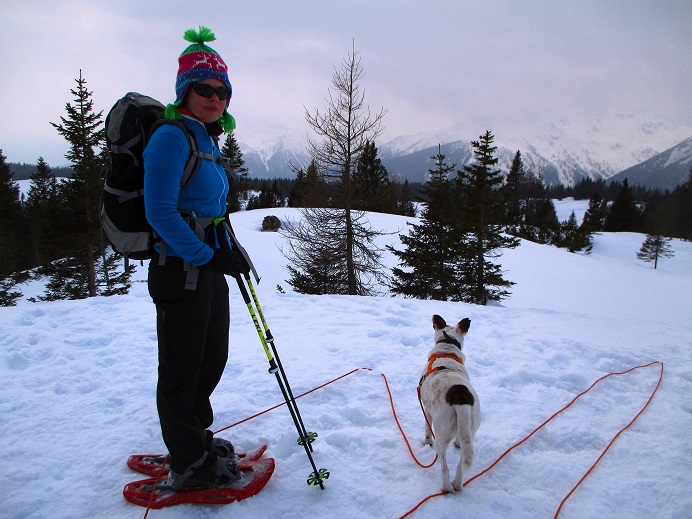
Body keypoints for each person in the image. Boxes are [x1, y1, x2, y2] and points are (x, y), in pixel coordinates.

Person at [143, 26, 245, 489]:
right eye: (204, 89)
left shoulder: (205, 138)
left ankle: (195, 440)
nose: (214, 98)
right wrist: (206, 255)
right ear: (185, 90)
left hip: (205, 266)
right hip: (179, 269)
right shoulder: (171, 136)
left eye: (222, 91)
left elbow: (209, 206)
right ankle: (189, 464)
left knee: (210, 358)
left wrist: (226, 250)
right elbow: (160, 212)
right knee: (182, 368)